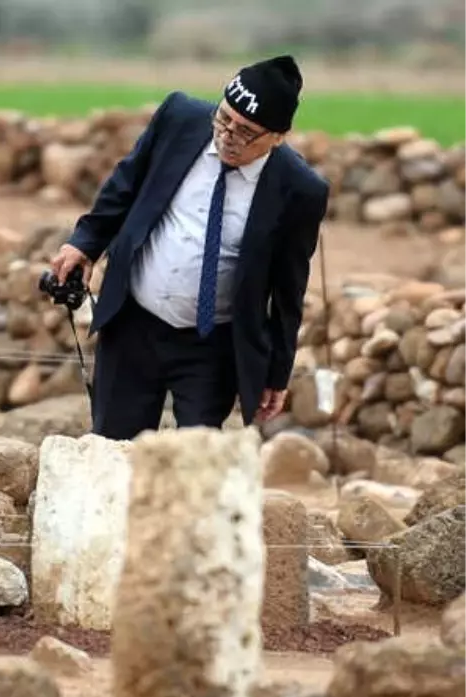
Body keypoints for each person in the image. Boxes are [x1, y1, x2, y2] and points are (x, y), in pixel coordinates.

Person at [49, 55, 329, 440]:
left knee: (195, 464)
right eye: (224, 118)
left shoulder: (299, 190)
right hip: (134, 322)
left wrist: (276, 373)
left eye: (246, 131)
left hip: (211, 346)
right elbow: (124, 185)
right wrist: (85, 243)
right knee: (112, 450)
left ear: (277, 137)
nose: (228, 135)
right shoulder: (179, 118)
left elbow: (288, 290)